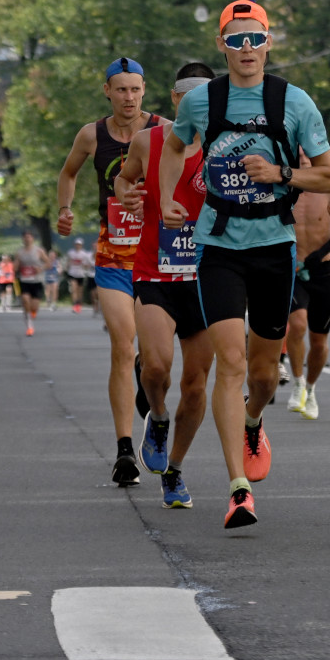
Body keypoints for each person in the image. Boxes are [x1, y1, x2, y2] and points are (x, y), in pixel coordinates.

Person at [158, 0, 330, 530]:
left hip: (273, 247)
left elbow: (327, 177)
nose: (246, 49)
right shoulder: (203, 102)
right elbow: (173, 147)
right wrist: (168, 196)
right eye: (235, 40)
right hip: (217, 244)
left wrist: (281, 174)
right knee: (229, 364)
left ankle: (254, 421)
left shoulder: (293, 102)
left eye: (254, 38)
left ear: (268, 41)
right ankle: (238, 487)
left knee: (261, 373)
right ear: (222, 46)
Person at [54, 57, 163, 486]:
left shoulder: (163, 130)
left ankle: (148, 379)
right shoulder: (91, 135)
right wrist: (65, 209)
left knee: (155, 358)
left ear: (144, 90)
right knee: (122, 343)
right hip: (113, 250)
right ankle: (123, 451)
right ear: (107, 91)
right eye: (121, 90)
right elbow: (68, 173)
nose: (129, 98)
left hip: (157, 250)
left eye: (135, 90)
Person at [115, 60, 220, 508]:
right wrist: (124, 192)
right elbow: (124, 178)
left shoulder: (227, 146)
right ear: (176, 100)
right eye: (187, 96)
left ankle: (175, 469)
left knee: (195, 385)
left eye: (205, 96)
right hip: (155, 270)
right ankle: (157, 417)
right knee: (156, 367)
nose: (195, 104)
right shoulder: (148, 140)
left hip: (209, 276)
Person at [286, 178, 330, 421]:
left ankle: (311, 389)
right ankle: (298, 383)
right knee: (298, 323)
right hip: (293, 270)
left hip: (321, 270)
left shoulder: (328, 187)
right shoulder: (285, 185)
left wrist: (320, 254)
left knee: (319, 342)